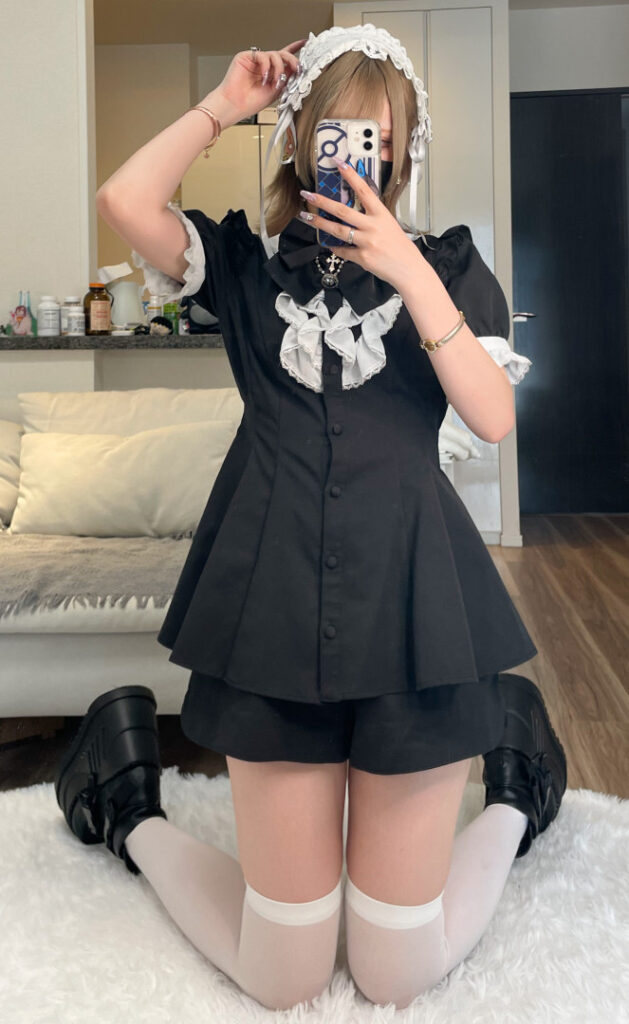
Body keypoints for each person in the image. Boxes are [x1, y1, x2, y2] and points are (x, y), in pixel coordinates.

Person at [55, 25, 567, 1012]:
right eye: (335, 132)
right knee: (284, 973)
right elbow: (124, 200)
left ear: (401, 149)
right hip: (273, 615)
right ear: (299, 139)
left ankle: (516, 790)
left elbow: (493, 417)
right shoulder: (244, 268)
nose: (356, 155)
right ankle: (126, 805)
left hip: (413, 610)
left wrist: (408, 270)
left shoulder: (446, 268)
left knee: (391, 970)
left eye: (377, 137)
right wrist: (225, 105)